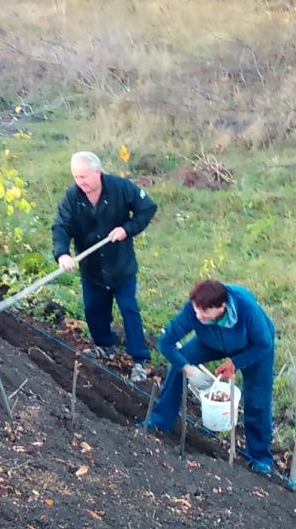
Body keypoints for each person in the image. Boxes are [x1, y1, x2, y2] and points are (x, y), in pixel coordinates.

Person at [146, 279, 277, 475]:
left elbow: (264, 343)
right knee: (179, 365)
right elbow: (166, 342)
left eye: (204, 313)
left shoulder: (246, 308)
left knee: (257, 399)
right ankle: (159, 421)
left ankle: (259, 457)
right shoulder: (195, 309)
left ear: (221, 307)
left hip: (253, 346)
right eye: (196, 311)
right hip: (211, 340)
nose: (197, 316)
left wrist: (235, 363)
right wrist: (187, 368)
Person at [52, 151, 157, 382]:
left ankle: (139, 360)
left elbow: (147, 208)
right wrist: (62, 254)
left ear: (97, 172)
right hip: (92, 267)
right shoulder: (72, 197)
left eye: (84, 177)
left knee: (129, 310)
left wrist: (127, 229)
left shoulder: (120, 188)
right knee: (93, 309)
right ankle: (105, 346)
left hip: (121, 266)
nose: (80, 183)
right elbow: (61, 226)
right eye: (76, 177)